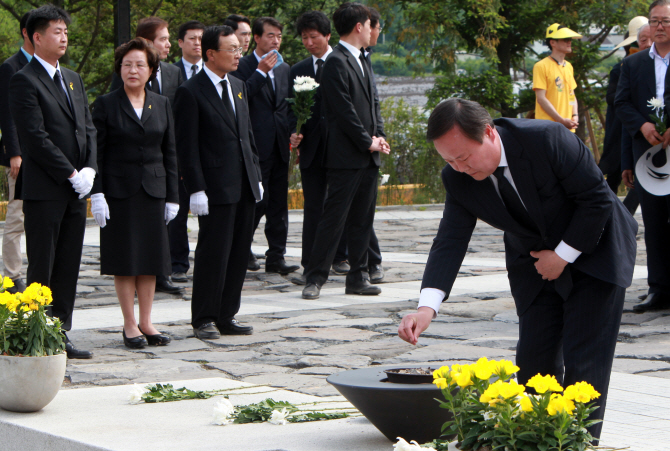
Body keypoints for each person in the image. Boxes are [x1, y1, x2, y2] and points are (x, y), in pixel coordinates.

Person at [398, 98, 637, 441]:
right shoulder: (457, 177)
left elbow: (596, 199)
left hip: (596, 246)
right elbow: (450, 238)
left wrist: (563, 256)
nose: (459, 168)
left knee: (585, 365)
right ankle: (538, 443)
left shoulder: (547, 138)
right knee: (534, 363)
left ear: (489, 133)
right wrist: (426, 307)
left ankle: (578, 445)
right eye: (449, 160)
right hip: (534, 264)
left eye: (463, 157)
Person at [9, 5, 98, 359]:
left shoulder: (73, 77)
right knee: (43, 263)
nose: (63, 38)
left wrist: (89, 169)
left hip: (76, 188)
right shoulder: (24, 79)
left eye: (65, 31)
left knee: (69, 262)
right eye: (56, 32)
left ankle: (61, 330)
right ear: (35, 37)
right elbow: (34, 136)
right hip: (46, 188)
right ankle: (37, 331)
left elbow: (87, 127)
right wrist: (71, 172)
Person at [173, 25, 263, 340]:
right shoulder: (191, 91)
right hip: (214, 187)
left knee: (239, 252)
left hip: (244, 184)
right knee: (214, 252)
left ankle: (227, 314)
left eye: (239, 48)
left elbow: (246, 135)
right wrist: (196, 188)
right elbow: (187, 146)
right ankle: (204, 317)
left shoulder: (237, 85)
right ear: (211, 54)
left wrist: (256, 174)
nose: (238, 54)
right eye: (232, 49)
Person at [91, 38, 178, 349]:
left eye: (140, 64)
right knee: (125, 259)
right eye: (127, 64)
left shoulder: (162, 103)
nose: (133, 70)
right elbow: (95, 153)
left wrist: (173, 196)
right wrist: (96, 193)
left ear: (151, 70)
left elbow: (170, 151)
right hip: (119, 192)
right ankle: (129, 324)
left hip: (154, 190)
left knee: (151, 259)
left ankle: (146, 320)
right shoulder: (105, 104)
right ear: (119, 69)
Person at [301, 2, 390, 300]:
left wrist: (380, 136)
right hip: (346, 154)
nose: (372, 29)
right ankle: (315, 277)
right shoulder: (336, 61)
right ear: (359, 27)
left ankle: (358, 276)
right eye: (369, 23)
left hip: (368, 153)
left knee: (363, 218)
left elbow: (373, 102)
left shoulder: (363, 59)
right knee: (334, 217)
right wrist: (367, 140)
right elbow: (344, 111)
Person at [112, 17, 185, 294]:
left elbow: (171, 133)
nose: (167, 44)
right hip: (126, 178)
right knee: (128, 250)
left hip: (156, 174)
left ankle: (161, 281)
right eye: (162, 39)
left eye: (141, 65)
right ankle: (131, 320)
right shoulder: (117, 90)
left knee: (156, 243)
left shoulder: (171, 77)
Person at [231, 17, 298, 275]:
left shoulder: (284, 68)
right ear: (257, 38)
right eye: (270, 36)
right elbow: (240, 98)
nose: (275, 41)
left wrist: (294, 132)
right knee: (257, 201)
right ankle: (241, 248)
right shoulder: (243, 66)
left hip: (281, 144)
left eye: (279, 36)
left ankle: (276, 257)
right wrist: (259, 72)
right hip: (255, 146)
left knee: (279, 205)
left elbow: (287, 105)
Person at [615, 0, 670, 312]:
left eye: (665, 21)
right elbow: (621, 105)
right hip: (646, 157)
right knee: (654, 222)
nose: (659, 26)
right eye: (654, 21)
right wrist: (643, 125)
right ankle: (659, 288)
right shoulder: (633, 64)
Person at [287, 11, 347, 285]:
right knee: (313, 207)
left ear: (327, 36)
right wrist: (294, 132)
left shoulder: (344, 63)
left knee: (341, 204)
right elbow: (291, 109)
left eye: (314, 37)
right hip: (311, 148)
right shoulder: (297, 70)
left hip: (341, 148)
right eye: (304, 37)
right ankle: (309, 262)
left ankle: (341, 256)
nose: (309, 42)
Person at [599, 17, 649, 216]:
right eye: (639, 42)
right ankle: (607, 214)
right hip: (620, 128)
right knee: (615, 173)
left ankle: (623, 215)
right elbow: (612, 98)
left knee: (643, 173)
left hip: (640, 129)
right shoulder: (621, 68)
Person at [0, 11, 33, 294]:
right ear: (27, 33)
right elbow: (7, 114)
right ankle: (11, 275)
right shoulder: (11, 67)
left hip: (48, 154)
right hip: (22, 155)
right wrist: (14, 152)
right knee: (17, 214)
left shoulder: (53, 67)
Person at [170, 20, 205, 284]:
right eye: (191, 38)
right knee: (178, 211)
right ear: (180, 42)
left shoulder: (215, 73)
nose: (197, 43)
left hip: (208, 155)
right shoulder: (172, 73)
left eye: (201, 38)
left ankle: (206, 261)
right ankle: (178, 263)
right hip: (180, 152)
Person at [533, 23, 582, 132]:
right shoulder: (541, 66)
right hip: (548, 128)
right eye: (565, 39)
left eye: (569, 39)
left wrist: (575, 115)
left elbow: (571, 94)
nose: (569, 42)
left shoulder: (568, 66)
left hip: (568, 128)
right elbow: (541, 98)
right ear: (553, 42)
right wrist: (560, 120)